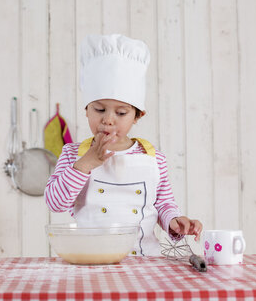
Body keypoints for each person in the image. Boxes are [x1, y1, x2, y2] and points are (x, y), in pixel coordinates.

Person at [44, 34, 202, 256]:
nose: (108, 119)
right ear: (86, 110)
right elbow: (55, 203)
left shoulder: (153, 157)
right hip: (90, 260)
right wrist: (85, 164)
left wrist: (174, 222)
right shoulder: (73, 154)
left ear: (137, 116)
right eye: (99, 109)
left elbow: (163, 204)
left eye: (121, 112)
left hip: (145, 262)